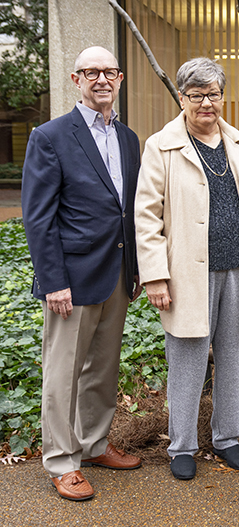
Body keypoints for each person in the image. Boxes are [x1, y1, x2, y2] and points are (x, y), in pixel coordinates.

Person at [135, 58, 239, 481]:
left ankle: (227, 438)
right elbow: (146, 217)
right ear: (182, 97)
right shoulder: (161, 146)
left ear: (221, 96)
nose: (205, 104)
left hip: (238, 269)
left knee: (233, 358)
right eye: (196, 96)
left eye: (212, 94)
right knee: (188, 360)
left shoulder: (237, 142)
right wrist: (155, 275)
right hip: (187, 275)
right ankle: (182, 446)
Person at [21, 46, 143, 501]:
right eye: (91, 72)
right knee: (62, 372)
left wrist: (137, 269)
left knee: (103, 368)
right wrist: (53, 280)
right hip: (70, 277)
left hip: (116, 272)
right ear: (76, 80)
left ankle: (92, 445)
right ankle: (61, 461)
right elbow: (38, 217)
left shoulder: (129, 138)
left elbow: (126, 211)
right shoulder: (51, 136)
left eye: (109, 71)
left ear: (120, 78)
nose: (101, 79)